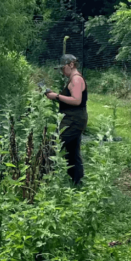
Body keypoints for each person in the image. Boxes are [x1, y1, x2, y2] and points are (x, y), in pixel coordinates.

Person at [44, 54, 87, 185]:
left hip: (73, 120)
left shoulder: (76, 80)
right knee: (72, 152)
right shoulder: (73, 79)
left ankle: (43, 179)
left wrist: (56, 96)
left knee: (52, 145)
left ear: (71, 65)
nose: (62, 71)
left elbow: (76, 100)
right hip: (73, 118)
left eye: (63, 68)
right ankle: (77, 183)